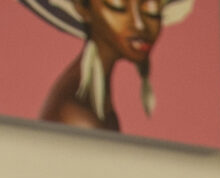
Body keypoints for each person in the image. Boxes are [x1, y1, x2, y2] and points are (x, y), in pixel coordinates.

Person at [19, 0, 192, 131]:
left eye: (151, 10)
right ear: (83, 8)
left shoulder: (92, 99)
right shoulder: (78, 113)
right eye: (118, 6)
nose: (140, 25)